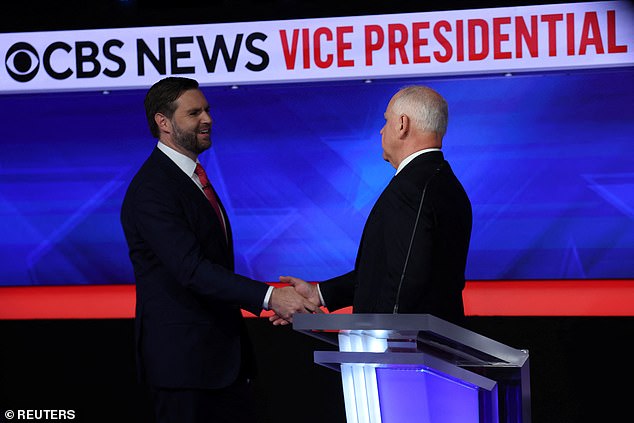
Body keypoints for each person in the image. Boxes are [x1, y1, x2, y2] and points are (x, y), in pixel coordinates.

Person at [120, 76, 316, 423]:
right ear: (163, 123)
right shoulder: (153, 189)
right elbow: (192, 270)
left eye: (207, 110)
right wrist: (272, 297)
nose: (207, 119)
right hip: (184, 369)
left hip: (221, 363)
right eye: (193, 113)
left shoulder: (191, 178)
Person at [274, 85, 472, 325]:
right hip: (431, 346)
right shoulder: (448, 185)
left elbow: (404, 281)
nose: (381, 131)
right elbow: (389, 271)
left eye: (386, 120)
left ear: (402, 124)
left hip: (403, 353)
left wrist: (375, 337)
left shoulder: (410, 188)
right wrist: (319, 294)